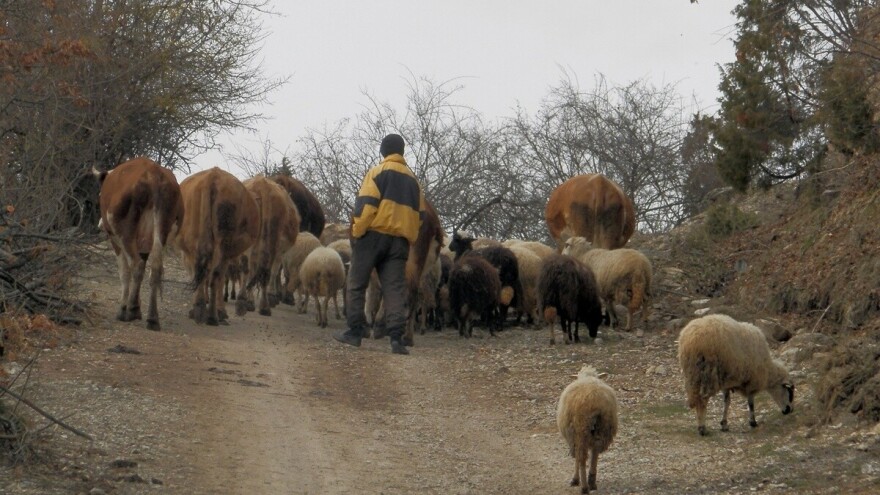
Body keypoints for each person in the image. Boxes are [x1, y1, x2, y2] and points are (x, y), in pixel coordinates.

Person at [333, 133, 424, 355]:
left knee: (356, 283)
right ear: (401, 152)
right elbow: (419, 216)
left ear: (383, 151)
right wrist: (408, 237)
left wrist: (357, 231)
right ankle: (396, 339)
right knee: (394, 289)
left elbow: (365, 207)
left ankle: (355, 332)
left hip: (372, 236)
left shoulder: (376, 173)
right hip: (400, 242)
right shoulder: (414, 181)